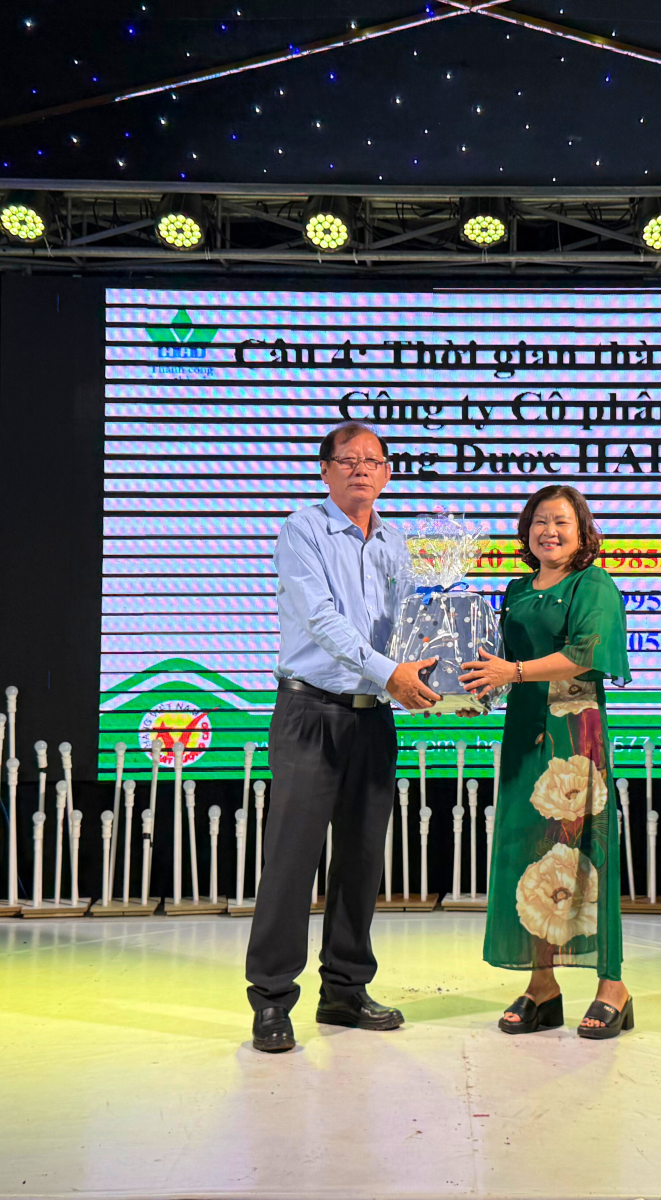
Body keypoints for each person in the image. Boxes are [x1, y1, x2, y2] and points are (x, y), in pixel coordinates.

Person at [246, 422, 441, 1054]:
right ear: (325, 469)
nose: (362, 469)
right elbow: (322, 620)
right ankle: (272, 999)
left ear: (387, 473)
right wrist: (392, 673)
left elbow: (404, 625)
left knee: (361, 860)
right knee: (292, 860)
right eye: (348, 459)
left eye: (373, 460)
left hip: (373, 716)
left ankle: (345, 990)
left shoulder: (394, 540)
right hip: (311, 711)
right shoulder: (302, 530)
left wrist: (438, 666)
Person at [459, 484, 635, 1039]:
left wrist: (511, 673)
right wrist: (469, 693)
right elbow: (502, 663)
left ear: (582, 531)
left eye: (561, 521)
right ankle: (542, 986)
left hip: (574, 736)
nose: (549, 531)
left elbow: (585, 654)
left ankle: (613, 987)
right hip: (523, 735)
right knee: (528, 856)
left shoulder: (592, 583)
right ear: (526, 530)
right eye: (539, 521)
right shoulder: (515, 589)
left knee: (585, 855)